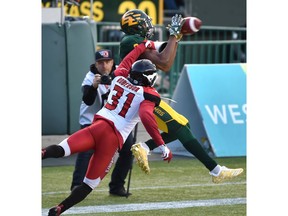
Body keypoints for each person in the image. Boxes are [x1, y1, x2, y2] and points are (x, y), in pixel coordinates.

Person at [42, 41, 173, 216]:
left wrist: (144, 45)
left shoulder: (118, 77)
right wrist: (161, 144)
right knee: (89, 184)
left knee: (61, 149)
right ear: (150, 78)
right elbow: (147, 117)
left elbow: (127, 60)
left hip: (96, 127)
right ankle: (59, 209)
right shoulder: (148, 94)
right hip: (111, 139)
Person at [119, 9, 243, 183]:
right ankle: (216, 171)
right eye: (145, 23)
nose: (149, 26)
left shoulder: (137, 41)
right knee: (179, 127)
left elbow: (164, 54)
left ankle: (145, 147)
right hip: (139, 95)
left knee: (183, 126)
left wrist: (176, 37)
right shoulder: (131, 40)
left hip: (139, 94)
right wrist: (174, 36)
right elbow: (164, 62)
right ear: (137, 25)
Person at [70, 49, 134, 197]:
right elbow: (88, 100)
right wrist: (94, 86)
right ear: (95, 64)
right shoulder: (90, 77)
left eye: (107, 62)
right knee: (86, 151)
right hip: (92, 120)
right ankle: (77, 185)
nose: (104, 66)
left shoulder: (121, 74)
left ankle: (117, 186)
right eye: (100, 62)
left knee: (128, 149)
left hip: (115, 122)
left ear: (113, 62)